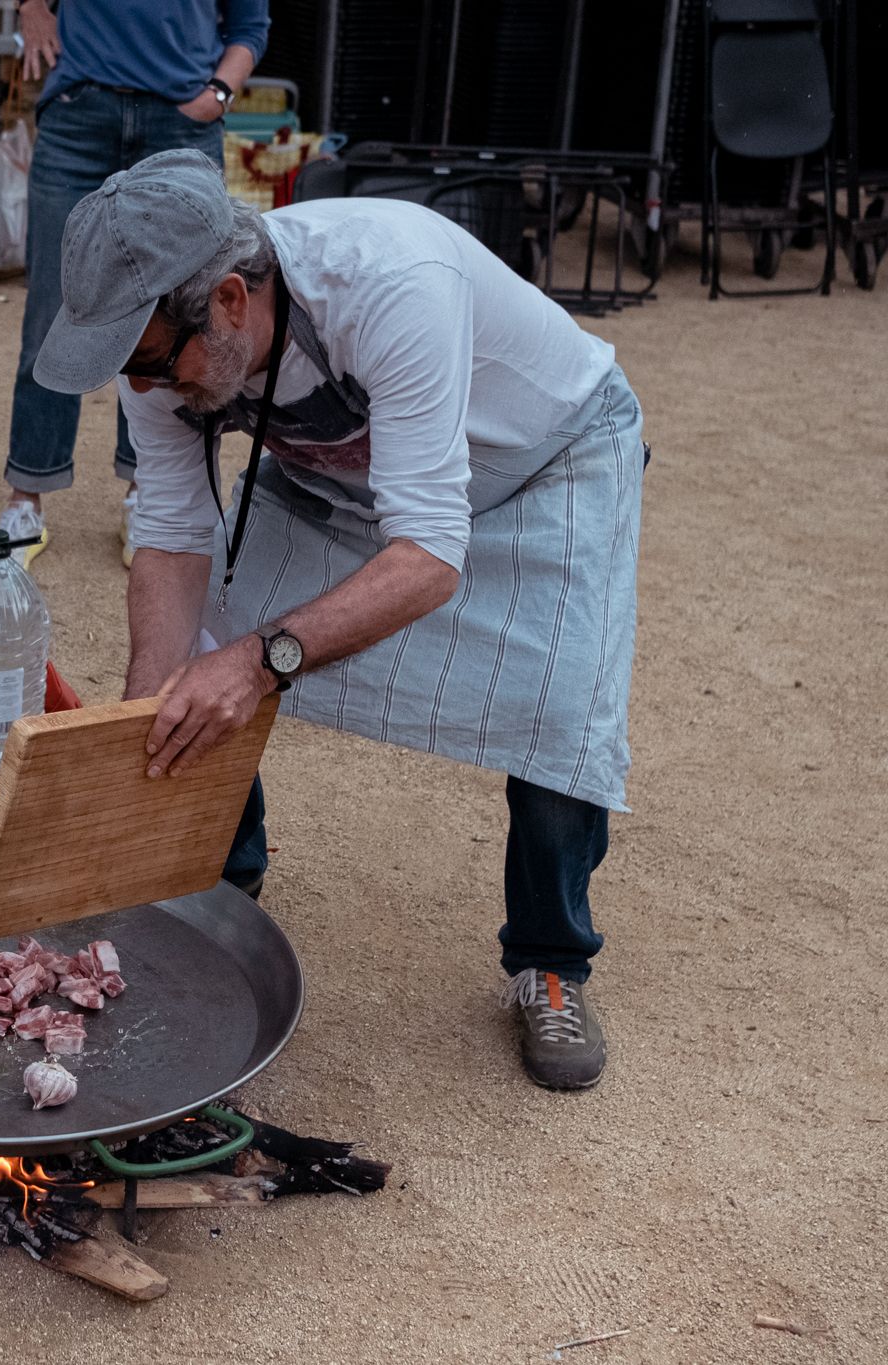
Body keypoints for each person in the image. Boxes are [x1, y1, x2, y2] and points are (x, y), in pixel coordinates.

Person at [36, 151, 647, 1090]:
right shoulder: (157, 345)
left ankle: (550, 964)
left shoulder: (392, 285)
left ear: (232, 300)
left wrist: (261, 660)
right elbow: (169, 531)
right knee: (203, 652)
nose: (143, 387)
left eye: (154, 362)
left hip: (546, 455)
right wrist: (150, 702)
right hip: (350, 468)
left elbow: (431, 555)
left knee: (560, 711)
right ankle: (209, 889)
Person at [1, 0, 269, 569]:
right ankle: (27, 493)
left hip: (180, 122)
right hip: (81, 110)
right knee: (54, 310)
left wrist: (218, 94)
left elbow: (250, 26)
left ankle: (149, 493)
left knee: (175, 323)